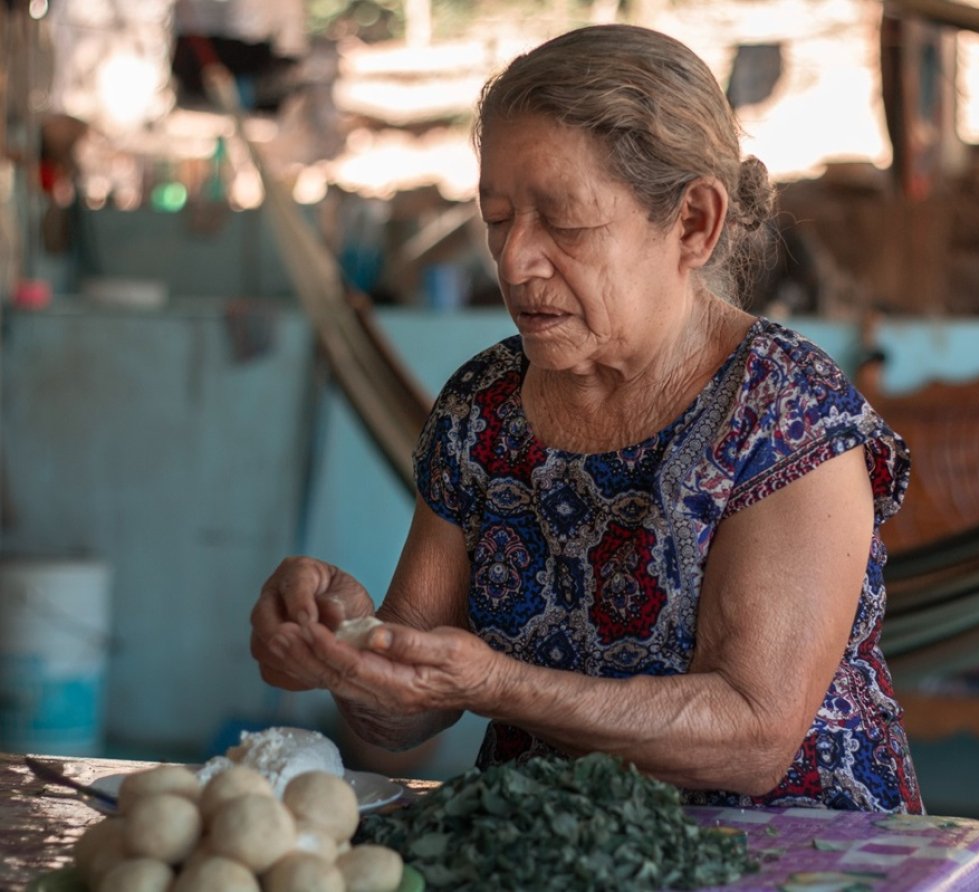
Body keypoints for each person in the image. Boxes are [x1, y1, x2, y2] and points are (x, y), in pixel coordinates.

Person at [250, 23, 923, 813]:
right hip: (547, 842)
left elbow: (752, 736)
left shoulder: (784, 410)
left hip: (791, 854)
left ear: (694, 224)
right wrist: (342, 645)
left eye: (564, 222)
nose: (513, 261)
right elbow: (405, 718)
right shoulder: (485, 406)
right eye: (498, 218)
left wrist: (503, 685)